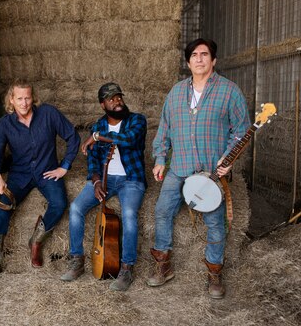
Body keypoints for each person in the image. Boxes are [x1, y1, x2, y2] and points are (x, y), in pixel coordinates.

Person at [148, 38, 250, 299]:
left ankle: (214, 274)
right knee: (162, 211)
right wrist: (160, 158)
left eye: (205, 54)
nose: (200, 59)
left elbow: (241, 131)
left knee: (215, 223)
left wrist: (228, 160)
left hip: (209, 172)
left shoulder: (229, 91)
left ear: (213, 60)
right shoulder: (176, 93)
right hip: (179, 167)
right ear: (188, 62)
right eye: (194, 55)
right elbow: (165, 130)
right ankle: (163, 266)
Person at [0, 81, 80, 279]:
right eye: (19, 98)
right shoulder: (5, 124)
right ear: (11, 99)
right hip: (19, 175)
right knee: (2, 205)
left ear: (33, 97)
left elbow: (73, 137)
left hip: (47, 172)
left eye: (27, 97)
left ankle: (36, 241)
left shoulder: (48, 114)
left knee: (60, 202)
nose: (24, 103)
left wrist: (65, 166)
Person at [60, 83, 147, 291]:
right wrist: (97, 181)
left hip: (131, 179)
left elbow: (129, 140)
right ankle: (77, 259)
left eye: (119, 97)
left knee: (128, 215)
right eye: (111, 99)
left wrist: (97, 137)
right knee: (75, 209)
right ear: (103, 104)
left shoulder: (137, 120)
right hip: (105, 179)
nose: (117, 101)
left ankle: (126, 268)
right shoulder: (98, 126)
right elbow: (93, 161)